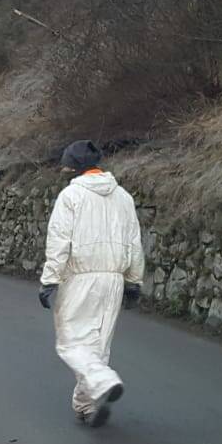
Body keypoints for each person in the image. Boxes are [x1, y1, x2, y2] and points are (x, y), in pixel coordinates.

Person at [38, 140, 144, 428]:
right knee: (97, 344)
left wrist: (49, 280)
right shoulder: (123, 197)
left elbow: (59, 242)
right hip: (114, 279)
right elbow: (134, 242)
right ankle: (85, 405)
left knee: (71, 342)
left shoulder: (71, 196)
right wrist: (134, 281)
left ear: (73, 165)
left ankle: (103, 380)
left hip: (80, 278)